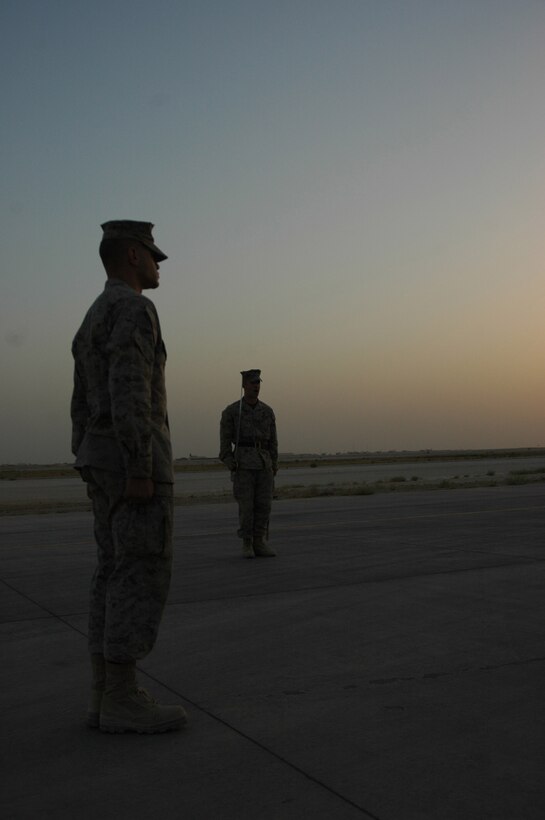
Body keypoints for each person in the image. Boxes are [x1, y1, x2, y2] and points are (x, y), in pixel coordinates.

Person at [70, 220, 186, 734]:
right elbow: (130, 386)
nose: (159, 264)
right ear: (133, 255)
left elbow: (79, 400)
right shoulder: (134, 308)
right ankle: (121, 696)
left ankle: (102, 693)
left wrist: (86, 452)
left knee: (111, 571)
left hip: (100, 457)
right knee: (140, 571)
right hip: (130, 461)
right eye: (154, 255)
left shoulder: (93, 315)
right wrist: (140, 464)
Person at [219, 369, 278, 558]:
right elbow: (225, 442)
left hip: (263, 464)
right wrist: (230, 461)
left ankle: (259, 541)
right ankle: (247, 543)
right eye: (252, 383)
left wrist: (274, 464)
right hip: (243, 464)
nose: (256, 386)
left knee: (264, 505)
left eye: (258, 383)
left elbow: (273, 441)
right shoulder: (232, 411)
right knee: (246, 507)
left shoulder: (267, 411)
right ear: (244, 385)